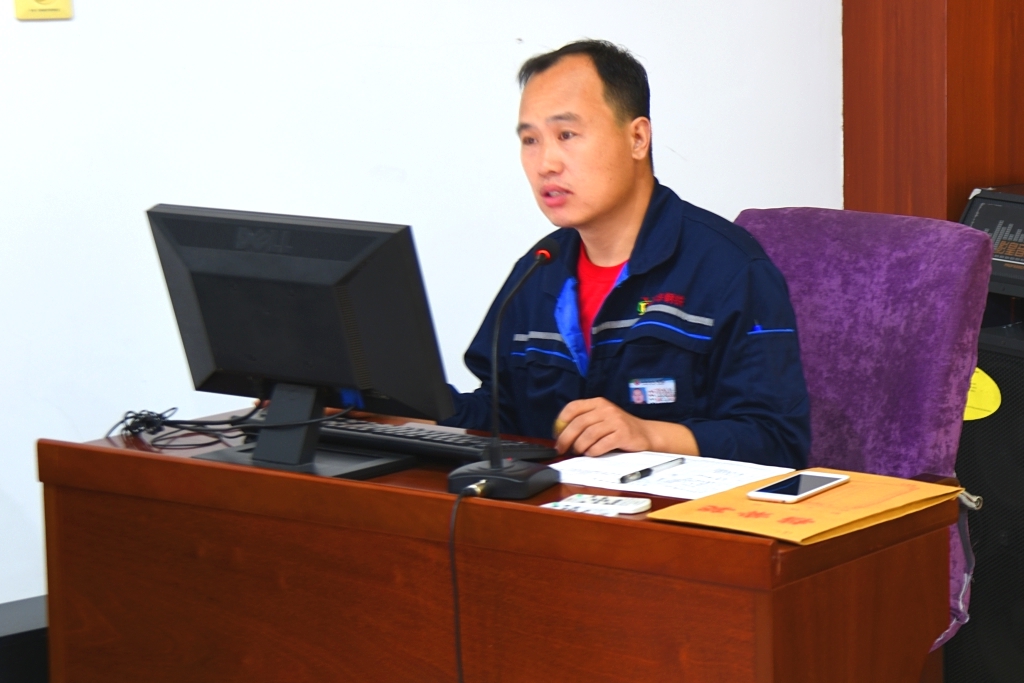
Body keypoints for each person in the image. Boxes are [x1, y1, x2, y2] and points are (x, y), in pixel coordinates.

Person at [442, 40, 810, 469]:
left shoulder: (730, 270)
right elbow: (500, 417)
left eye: (566, 135)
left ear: (637, 138)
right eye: (530, 140)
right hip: (556, 504)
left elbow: (777, 441)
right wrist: (409, 404)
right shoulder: (538, 269)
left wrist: (649, 435)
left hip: (678, 509)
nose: (546, 163)